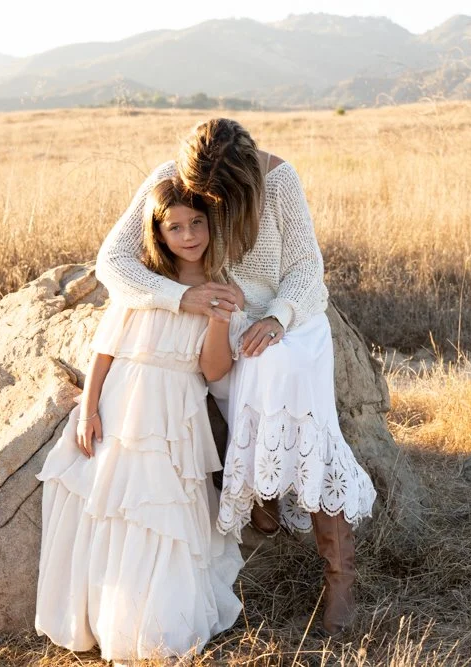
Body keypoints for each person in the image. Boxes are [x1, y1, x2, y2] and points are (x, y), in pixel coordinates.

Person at [95, 118, 377, 636]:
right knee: (261, 370)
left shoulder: (281, 180)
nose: (216, 206)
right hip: (229, 323)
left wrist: (279, 318)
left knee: (285, 370)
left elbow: (306, 271)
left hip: (292, 320)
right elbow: (110, 261)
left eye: (227, 194)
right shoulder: (172, 178)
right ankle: (263, 492)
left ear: (247, 175)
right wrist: (182, 297)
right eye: (209, 197)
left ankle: (339, 575)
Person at [35, 177, 247, 663]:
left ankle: (157, 626)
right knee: (118, 506)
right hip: (125, 402)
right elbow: (104, 351)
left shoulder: (223, 287)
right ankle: (112, 616)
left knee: (166, 512)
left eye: (196, 223)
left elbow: (213, 370)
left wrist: (219, 319)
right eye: (175, 227)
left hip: (177, 408)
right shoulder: (144, 281)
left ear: (211, 225)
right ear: (159, 232)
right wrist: (88, 410)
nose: (188, 235)